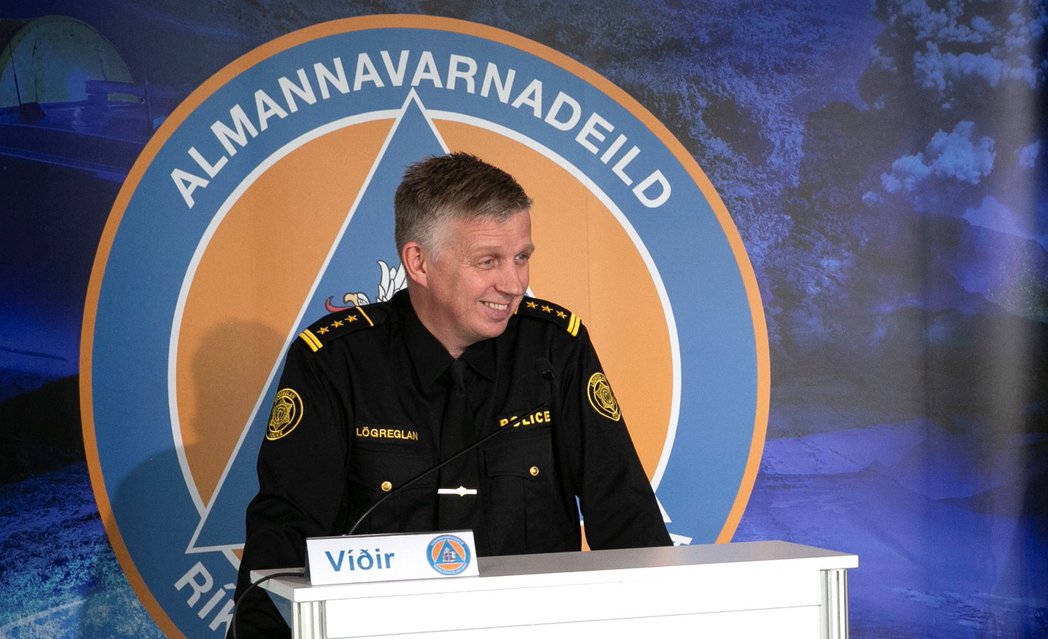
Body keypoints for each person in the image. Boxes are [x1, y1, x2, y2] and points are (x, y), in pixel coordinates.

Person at [231, 152, 670, 637]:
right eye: (488, 261)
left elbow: (626, 515)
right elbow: (285, 537)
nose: (515, 284)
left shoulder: (555, 350)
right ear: (418, 262)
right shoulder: (336, 361)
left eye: (522, 257)